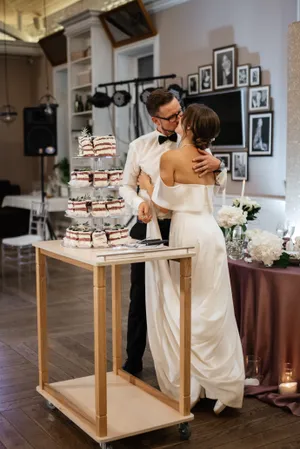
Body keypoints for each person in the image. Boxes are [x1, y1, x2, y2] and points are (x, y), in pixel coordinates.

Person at [137, 104, 245, 414]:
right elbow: (214, 184)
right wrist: (218, 163)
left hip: (187, 233)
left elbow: (164, 205)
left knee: (188, 303)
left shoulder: (170, 158)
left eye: (182, 118)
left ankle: (194, 384)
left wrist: (146, 186)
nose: (178, 121)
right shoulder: (210, 161)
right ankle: (222, 385)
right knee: (215, 305)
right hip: (211, 234)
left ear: (190, 128)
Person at [120, 90, 222, 375]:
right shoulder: (139, 146)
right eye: (173, 115)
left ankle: (182, 361)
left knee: (182, 293)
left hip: (184, 227)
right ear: (156, 120)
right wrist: (139, 201)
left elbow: (210, 181)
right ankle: (134, 359)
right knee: (140, 293)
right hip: (150, 225)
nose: (180, 117)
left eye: (181, 111)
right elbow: (126, 185)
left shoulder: (198, 143)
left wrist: (220, 165)